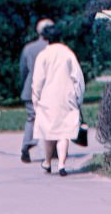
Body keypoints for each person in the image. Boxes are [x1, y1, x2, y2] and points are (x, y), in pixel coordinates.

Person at [30, 22, 86, 177]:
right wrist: (78, 97)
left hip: (48, 98)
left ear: (46, 38)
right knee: (64, 132)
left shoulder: (43, 55)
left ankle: (48, 162)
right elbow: (78, 77)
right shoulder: (68, 53)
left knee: (49, 132)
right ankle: (61, 164)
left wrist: (35, 98)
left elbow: (37, 80)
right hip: (66, 97)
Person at [18, 18, 52, 163]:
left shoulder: (29, 48)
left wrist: (24, 84)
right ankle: (54, 148)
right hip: (49, 88)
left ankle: (26, 146)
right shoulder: (55, 48)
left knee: (32, 118)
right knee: (53, 118)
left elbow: (23, 70)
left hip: (30, 88)